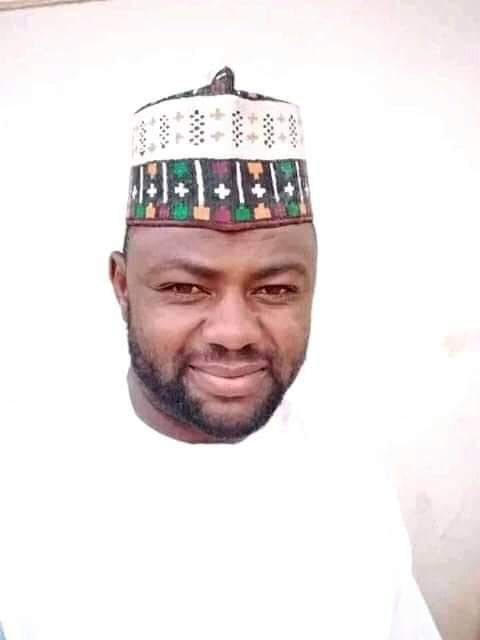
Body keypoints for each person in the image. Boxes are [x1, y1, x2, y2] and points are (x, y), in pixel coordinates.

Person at [0, 67, 442, 639]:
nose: (234, 332)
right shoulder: (23, 492)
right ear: (123, 287)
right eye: (185, 287)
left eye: (275, 290)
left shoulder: (353, 488)